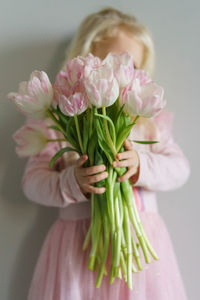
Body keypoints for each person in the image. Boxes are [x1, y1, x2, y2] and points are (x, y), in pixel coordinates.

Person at [23, 7, 190, 300]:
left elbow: (180, 169)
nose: (125, 76)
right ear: (84, 59)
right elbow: (32, 183)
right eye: (113, 65)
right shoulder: (58, 120)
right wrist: (70, 184)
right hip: (77, 247)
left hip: (140, 246)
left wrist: (142, 166)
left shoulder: (147, 121)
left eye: (135, 68)